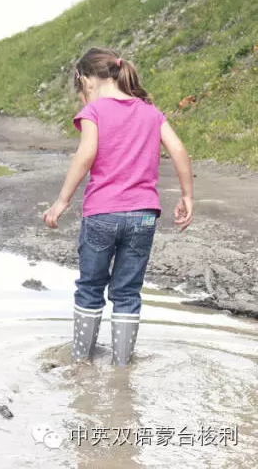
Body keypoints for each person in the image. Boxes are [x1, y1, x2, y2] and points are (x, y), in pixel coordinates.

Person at [43, 47, 194, 366]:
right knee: (127, 293)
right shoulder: (150, 111)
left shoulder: (94, 113)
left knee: (90, 288)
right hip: (143, 217)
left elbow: (85, 156)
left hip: (102, 215)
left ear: (86, 80)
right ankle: (122, 368)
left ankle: (81, 363)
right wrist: (187, 195)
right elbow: (179, 149)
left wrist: (61, 201)